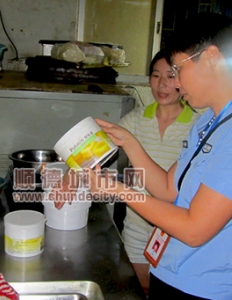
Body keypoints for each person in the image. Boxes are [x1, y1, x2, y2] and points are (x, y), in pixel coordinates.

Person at [82, 13, 232, 299]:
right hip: (169, 270)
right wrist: (130, 142)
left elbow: (194, 230)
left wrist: (118, 190)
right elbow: (166, 189)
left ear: (211, 57)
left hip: (203, 288)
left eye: (177, 69)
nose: (174, 83)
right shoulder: (208, 122)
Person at [117, 49, 200, 296]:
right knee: (141, 289)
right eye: (155, 76)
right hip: (136, 226)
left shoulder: (199, 125)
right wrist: (71, 173)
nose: (162, 84)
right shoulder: (134, 120)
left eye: (171, 75)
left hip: (176, 231)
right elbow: (95, 148)